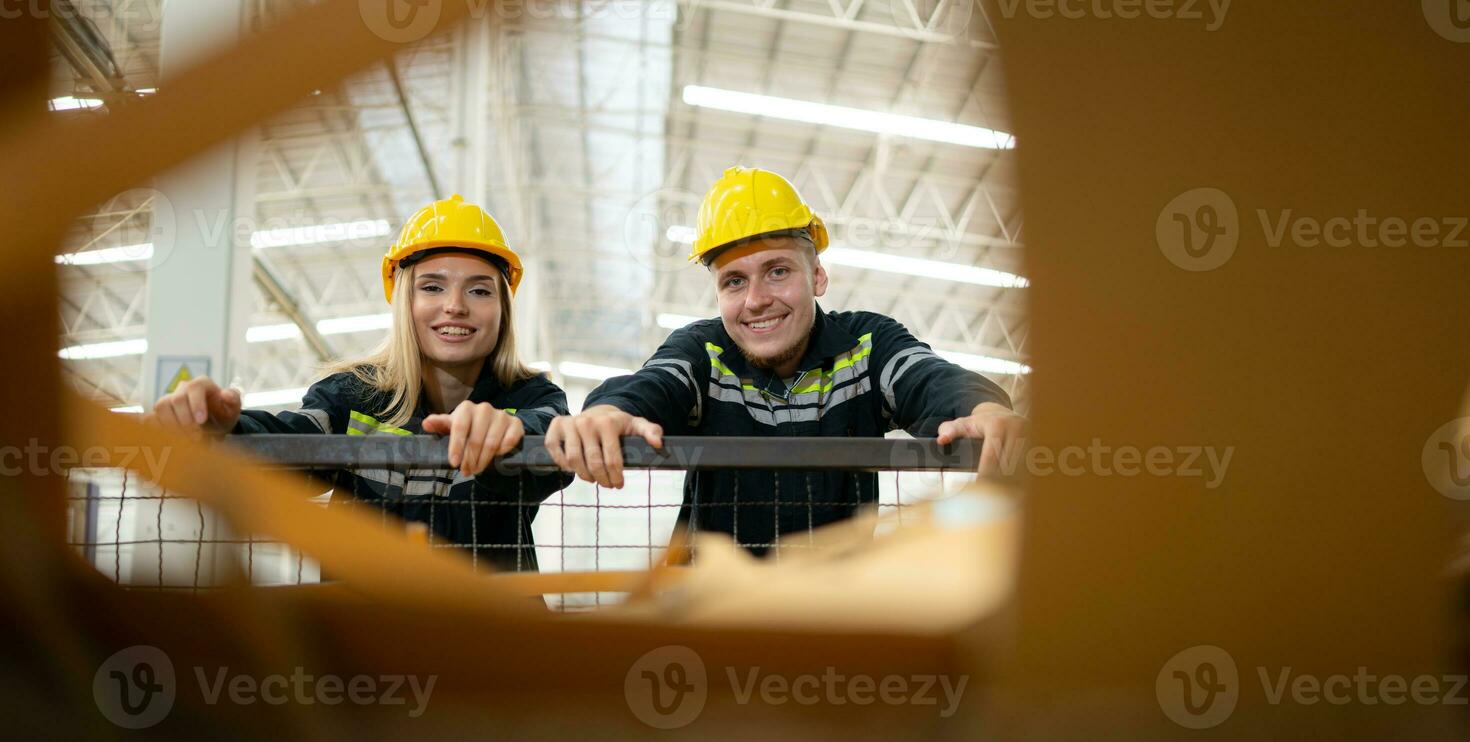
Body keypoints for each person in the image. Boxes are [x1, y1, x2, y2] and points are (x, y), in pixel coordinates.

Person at [544, 166, 1027, 552]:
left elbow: (926, 376)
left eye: (777, 272)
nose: (755, 300)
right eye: (734, 281)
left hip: (830, 619)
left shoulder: (866, 344)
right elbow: (654, 383)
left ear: (818, 276)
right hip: (710, 620)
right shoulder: (703, 351)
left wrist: (982, 407)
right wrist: (607, 411)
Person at [150, 194, 570, 572]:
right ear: (405, 301)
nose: (455, 306)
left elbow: (553, 447)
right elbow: (296, 438)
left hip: (494, 643)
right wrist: (227, 430)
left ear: (503, 310)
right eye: (432, 287)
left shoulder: (533, 397)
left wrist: (510, 435)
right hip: (363, 643)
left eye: (479, 291)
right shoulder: (351, 396)